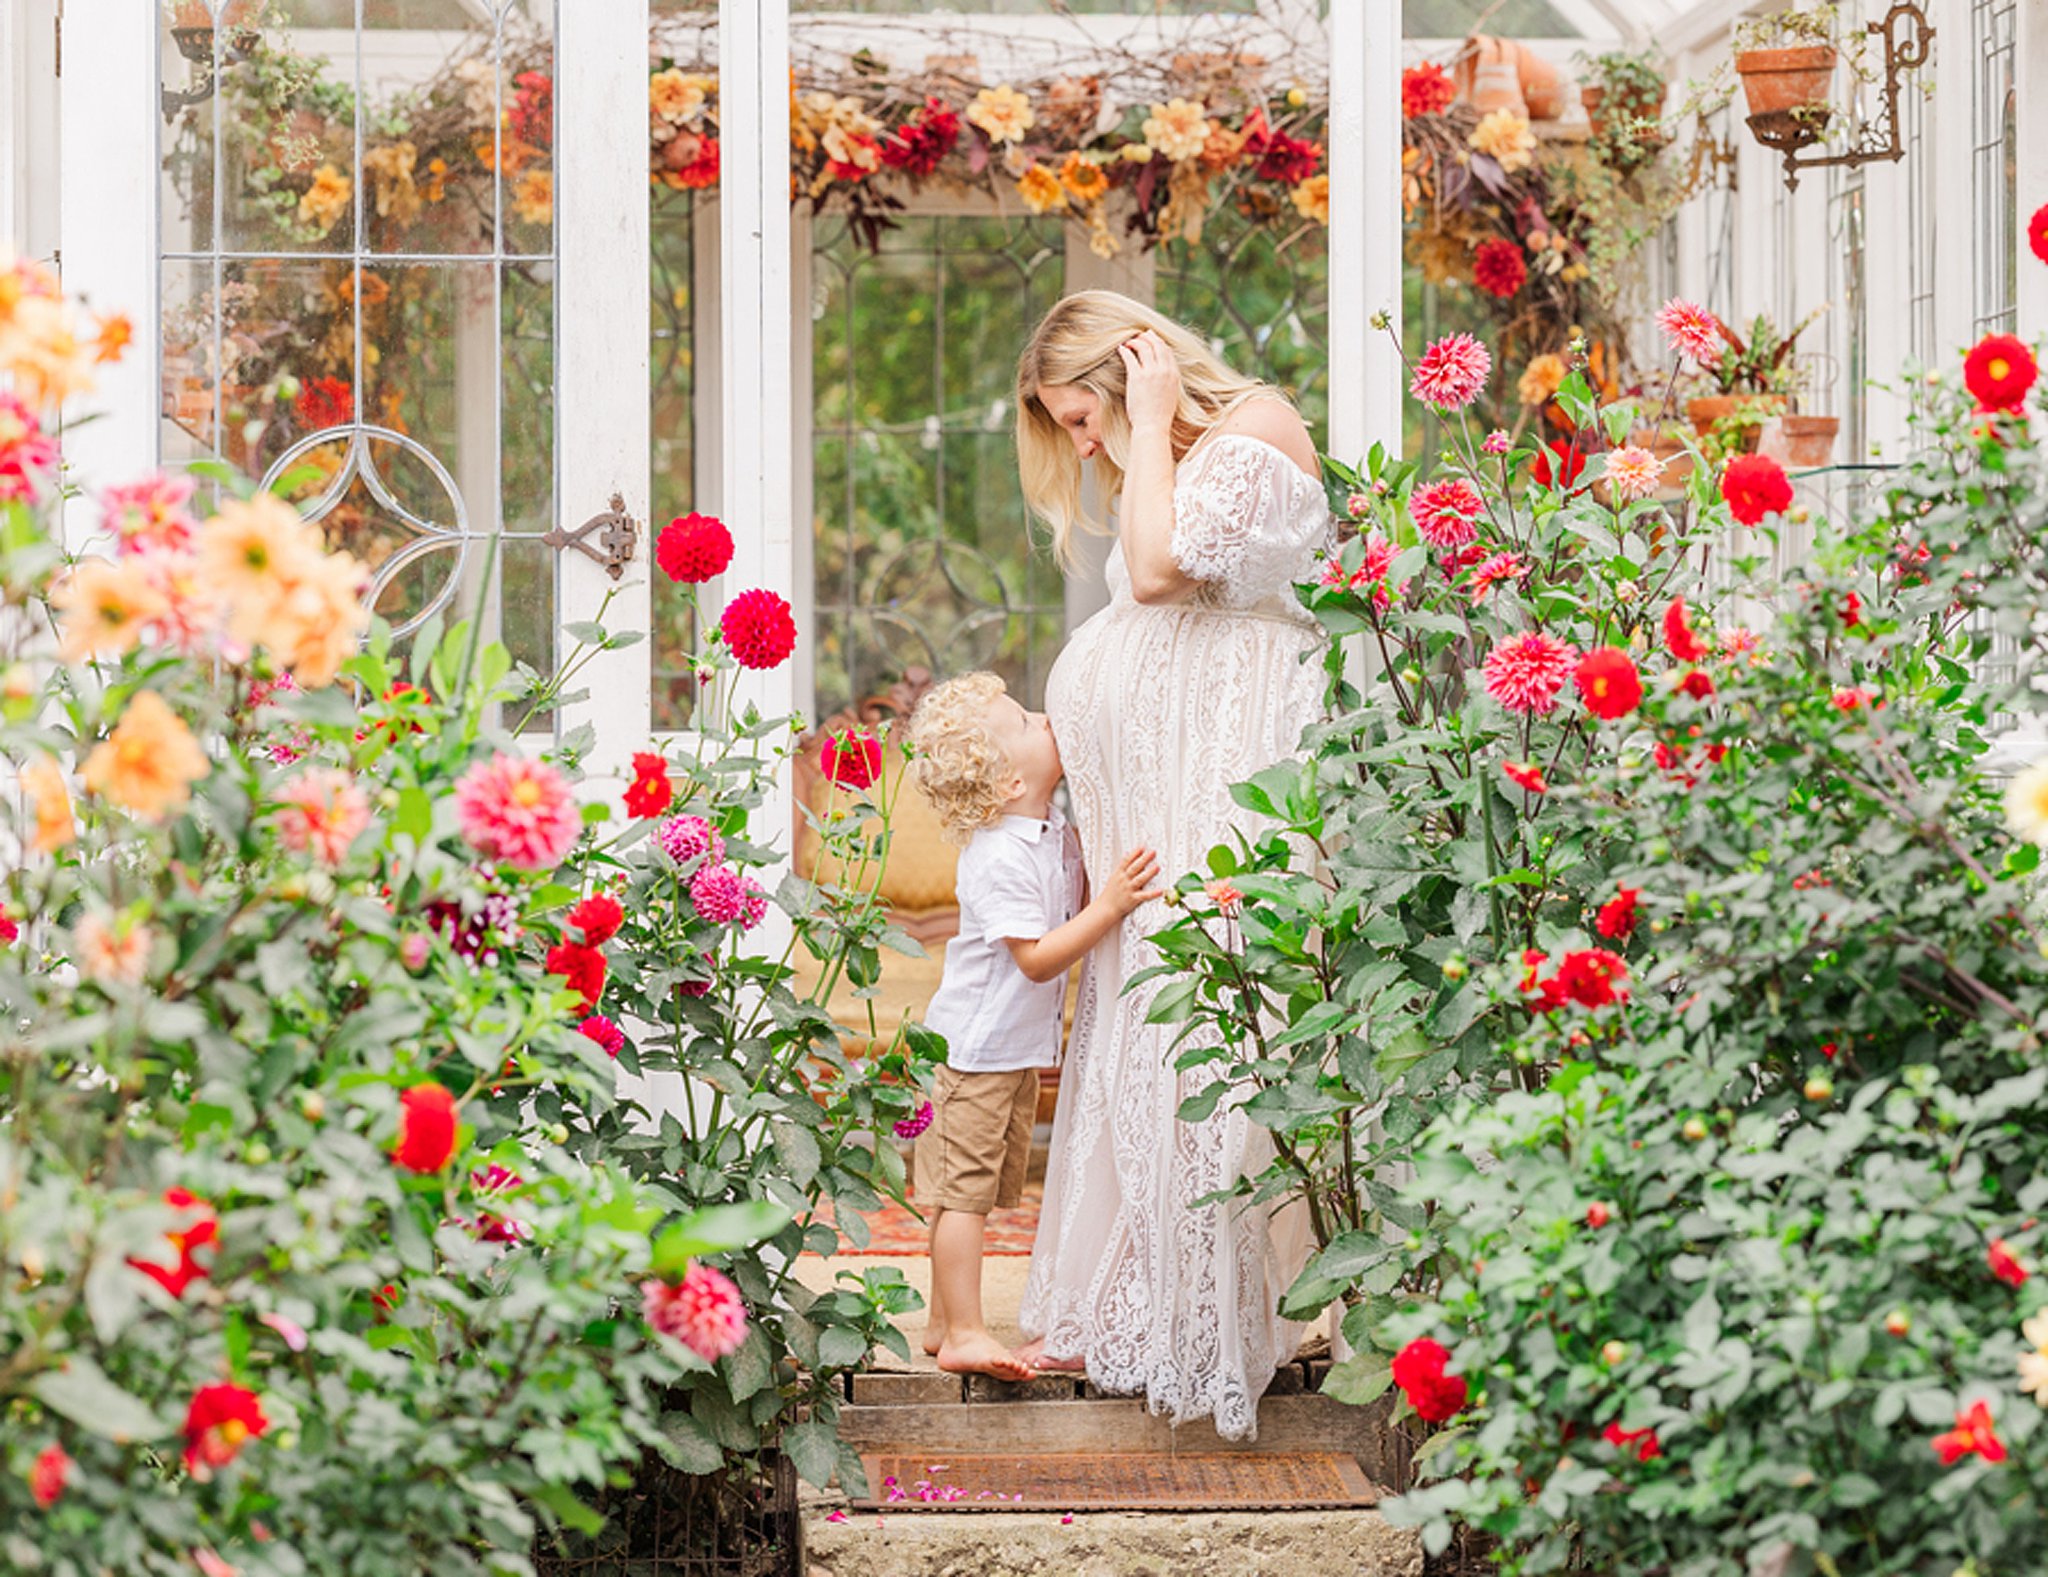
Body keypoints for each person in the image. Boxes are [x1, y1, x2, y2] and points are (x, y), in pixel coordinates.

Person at [1012, 290, 1331, 1439]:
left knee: (1227, 1003)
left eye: (1081, 415)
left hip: (1236, 762)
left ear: (1134, 366)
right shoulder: (1167, 449)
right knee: (1156, 1007)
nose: (1084, 445)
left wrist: (1145, 421)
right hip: (1171, 775)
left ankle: (1228, 1306)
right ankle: (1144, 1295)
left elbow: (1153, 576)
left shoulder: (1251, 424)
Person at [905, 670, 1164, 1382]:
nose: (1046, 718)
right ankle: (962, 1330)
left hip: (1009, 1053)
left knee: (977, 1189)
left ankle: (938, 1319)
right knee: (962, 1197)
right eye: (1025, 721)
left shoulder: (1046, 834)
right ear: (1008, 784)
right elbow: (1038, 960)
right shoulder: (999, 856)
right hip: (974, 1054)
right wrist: (1110, 906)